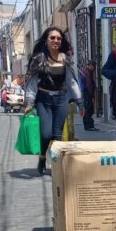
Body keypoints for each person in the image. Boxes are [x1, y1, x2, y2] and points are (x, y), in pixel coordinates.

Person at [24, 26, 84, 175]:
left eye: (58, 38)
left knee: (57, 135)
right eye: (52, 38)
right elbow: (32, 83)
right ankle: (43, 157)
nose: (56, 41)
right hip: (43, 100)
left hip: (61, 99)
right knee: (45, 134)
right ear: (46, 40)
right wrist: (29, 103)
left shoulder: (65, 59)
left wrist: (80, 102)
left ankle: (57, 165)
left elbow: (72, 82)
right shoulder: (39, 59)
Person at [79, 60, 99, 131]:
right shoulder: (87, 73)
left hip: (86, 92)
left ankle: (87, 125)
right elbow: (89, 85)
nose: (95, 69)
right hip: (88, 93)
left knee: (87, 109)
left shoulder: (86, 72)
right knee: (89, 109)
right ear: (90, 66)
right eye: (94, 67)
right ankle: (90, 125)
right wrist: (92, 96)